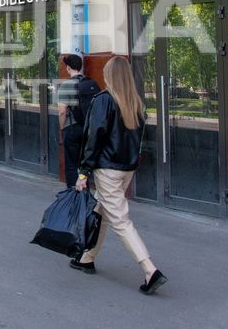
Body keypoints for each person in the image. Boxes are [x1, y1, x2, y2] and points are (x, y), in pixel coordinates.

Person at [73, 56, 167, 295]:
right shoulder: (135, 102)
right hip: (126, 168)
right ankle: (87, 257)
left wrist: (83, 172)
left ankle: (149, 270)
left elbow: (94, 137)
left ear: (109, 75)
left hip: (107, 168)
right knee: (102, 211)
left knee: (120, 220)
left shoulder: (103, 100)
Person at [57, 53, 100, 188]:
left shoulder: (66, 85)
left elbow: (62, 111)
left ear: (68, 68)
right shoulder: (91, 83)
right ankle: (85, 191)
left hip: (72, 128)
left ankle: (73, 194)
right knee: (84, 163)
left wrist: (62, 128)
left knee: (71, 164)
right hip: (89, 129)